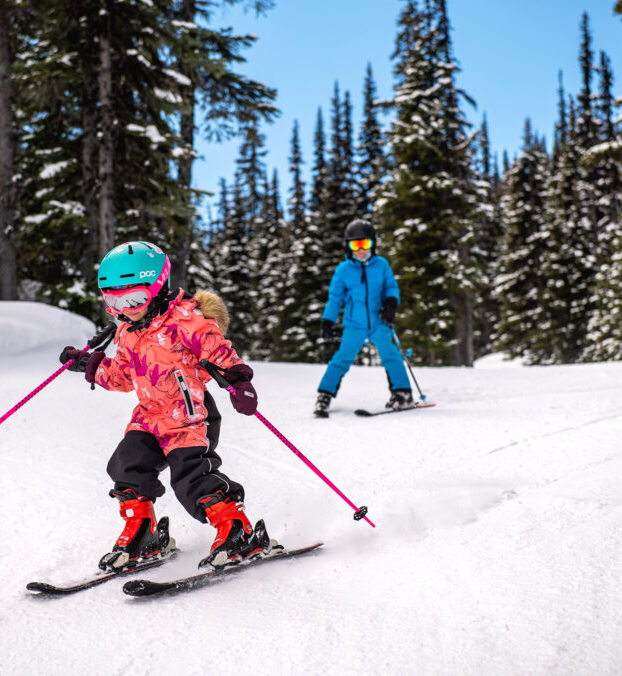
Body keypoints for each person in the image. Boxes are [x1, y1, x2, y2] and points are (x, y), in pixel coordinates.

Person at [60, 241, 279, 571]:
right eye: (114, 300)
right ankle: (142, 533)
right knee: (125, 467)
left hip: (190, 416)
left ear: (157, 285)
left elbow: (218, 351)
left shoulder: (187, 322)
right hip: (149, 417)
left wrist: (238, 380)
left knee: (190, 478)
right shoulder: (128, 331)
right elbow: (122, 377)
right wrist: (91, 364)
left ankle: (237, 529)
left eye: (133, 298)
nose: (126, 308)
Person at [314, 219, 413, 418]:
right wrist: (327, 322)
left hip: (378, 321)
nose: (360, 250)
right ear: (348, 246)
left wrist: (391, 304)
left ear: (373, 244)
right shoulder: (343, 271)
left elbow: (391, 287)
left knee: (390, 354)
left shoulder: (381, 265)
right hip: (354, 324)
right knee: (342, 359)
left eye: (364, 244)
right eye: (355, 245)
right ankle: (324, 395)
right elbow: (335, 299)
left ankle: (402, 393)